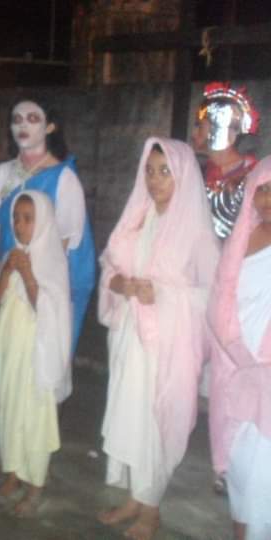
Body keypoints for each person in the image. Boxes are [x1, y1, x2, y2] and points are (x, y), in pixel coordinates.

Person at [97, 138, 220, 540]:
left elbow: (214, 296)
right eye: (149, 171)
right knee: (131, 417)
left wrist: (163, 295)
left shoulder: (196, 232)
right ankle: (135, 498)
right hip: (131, 337)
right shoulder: (137, 218)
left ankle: (151, 510)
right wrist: (120, 284)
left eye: (165, 171)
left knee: (156, 423)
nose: (155, 180)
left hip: (168, 347)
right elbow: (110, 265)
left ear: (183, 175)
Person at [0, 98, 94, 376]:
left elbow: (63, 247)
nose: (23, 126)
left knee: (42, 370)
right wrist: (0, 280)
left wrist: (35, 289)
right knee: (9, 367)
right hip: (8, 281)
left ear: (49, 126)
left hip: (47, 288)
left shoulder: (64, 180)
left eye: (32, 119)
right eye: (16, 119)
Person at [0, 190, 71, 517]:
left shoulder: (52, 263)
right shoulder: (11, 256)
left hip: (37, 357)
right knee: (9, 412)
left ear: (43, 222)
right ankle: (11, 477)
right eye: (16, 219)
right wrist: (7, 272)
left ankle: (35, 488)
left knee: (35, 419)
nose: (20, 225)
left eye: (28, 219)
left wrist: (29, 274)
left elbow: (49, 313)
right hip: (10, 353)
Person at [208, 156, 271, 540]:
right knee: (240, 469)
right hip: (235, 365)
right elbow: (221, 299)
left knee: (264, 473)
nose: (268, 199)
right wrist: (239, 353)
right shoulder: (242, 237)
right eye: (262, 190)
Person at [191, 82, 259, 240]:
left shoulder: (254, 175)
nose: (193, 133)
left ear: (219, 126)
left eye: (199, 125)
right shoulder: (195, 171)